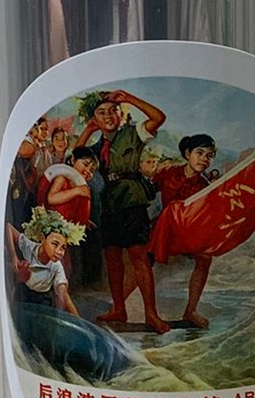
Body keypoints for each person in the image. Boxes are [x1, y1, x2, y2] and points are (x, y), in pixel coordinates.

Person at [76, 88, 170, 333]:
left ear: (120, 114)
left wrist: (129, 98)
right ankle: (119, 309)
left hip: (132, 200)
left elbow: (159, 117)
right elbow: (75, 158)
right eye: (101, 112)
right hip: (109, 204)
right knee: (113, 258)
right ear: (94, 118)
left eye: (113, 111)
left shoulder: (133, 133)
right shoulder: (97, 147)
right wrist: (88, 130)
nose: (108, 116)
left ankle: (151, 314)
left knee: (139, 257)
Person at [153, 133, 219, 328]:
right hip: (163, 229)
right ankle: (120, 306)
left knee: (205, 258)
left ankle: (190, 311)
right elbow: (148, 189)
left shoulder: (205, 186)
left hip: (185, 233)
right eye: (200, 153)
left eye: (209, 155)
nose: (204, 159)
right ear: (188, 153)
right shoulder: (169, 173)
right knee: (142, 256)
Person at [7, 208, 82, 318]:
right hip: (23, 295)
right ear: (42, 239)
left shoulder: (56, 266)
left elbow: (63, 294)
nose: (59, 252)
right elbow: (8, 228)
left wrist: (77, 320)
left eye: (63, 248)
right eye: (55, 244)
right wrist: (14, 255)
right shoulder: (29, 247)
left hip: (43, 301)